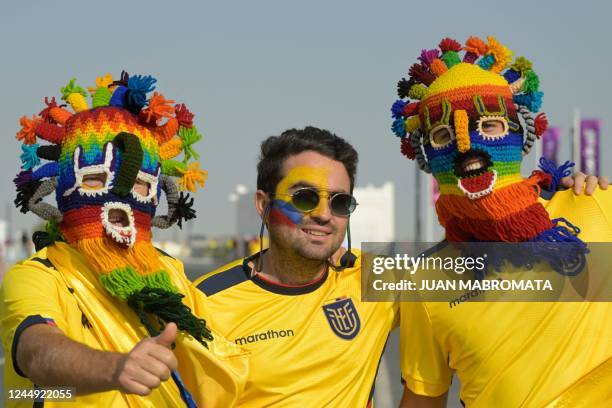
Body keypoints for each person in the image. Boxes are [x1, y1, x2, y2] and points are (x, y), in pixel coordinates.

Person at [1, 72, 248, 407]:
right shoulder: (38, 276)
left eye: (141, 186)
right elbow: (37, 354)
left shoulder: (169, 273)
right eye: (94, 180)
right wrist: (115, 369)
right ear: (62, 189)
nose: (119, 203)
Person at [389, 36, 612, 407]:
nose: (467, 146)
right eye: (444, 134)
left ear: (520, 132)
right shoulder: (425, 279)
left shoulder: (595, 204)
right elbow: (423, 400)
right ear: (426, 156)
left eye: (488, 125)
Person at [192, 126, 398, 406]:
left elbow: (470, 271)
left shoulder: (369, 277)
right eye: (304, 198)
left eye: (340, 202)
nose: (324, 215)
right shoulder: (203, 303)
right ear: (264, 205)